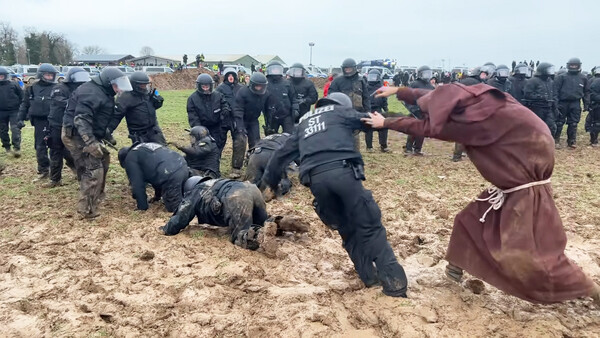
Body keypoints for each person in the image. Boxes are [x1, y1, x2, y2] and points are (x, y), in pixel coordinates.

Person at [365, 83, 600, 305]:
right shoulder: (481, 99)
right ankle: (455, 268)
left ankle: (589, 289)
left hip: (524, 186)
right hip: (516, 177)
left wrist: (386, 122)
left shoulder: (474, 124)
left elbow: (426, 129)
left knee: (525, 256)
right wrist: (398, 90)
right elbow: (439, 95)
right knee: (469, 220)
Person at [260, 93, 408, 298]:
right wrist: (399, 120)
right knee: (370, 227)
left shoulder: (304, 123)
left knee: (347, 230)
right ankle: (395, 286)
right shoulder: (341, 112)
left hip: (317, 183)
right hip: (344, 174)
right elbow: (373, 120)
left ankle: (370, 278)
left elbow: (279, 156)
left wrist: (270, 183)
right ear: (343, 105)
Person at [62, 67, 132, 219]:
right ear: (108, 83)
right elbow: (81, 120)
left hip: (89, 132)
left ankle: (97, 194)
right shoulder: (91, 93)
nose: (119, 89)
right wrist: (91, 143)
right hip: (77, 134)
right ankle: (86, 211)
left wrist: (106, 135)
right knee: (93, 169)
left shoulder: (104, 92)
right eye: (116, 85)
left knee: (104, 159)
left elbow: (99, 119)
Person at [158, 175, 269, 250]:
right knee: (264, 223)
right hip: (251, 188)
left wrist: (167, 229)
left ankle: (262, 240)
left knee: (242, 238)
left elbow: (182, 215)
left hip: (237, 196)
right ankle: (281, 223)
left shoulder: (197, 190)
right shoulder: (215, 182)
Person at [45, 67, 90, 187]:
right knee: (55, 151)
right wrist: (78, 104)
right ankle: (55, 179)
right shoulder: (59, 88)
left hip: (73, 125)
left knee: (77, 152)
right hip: (57, 123)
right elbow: (60, 101)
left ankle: (82, 178)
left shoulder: (83, 89)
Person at [118, 143, 188, 212]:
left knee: (174, 208)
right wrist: (157, 196)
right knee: (185, 196)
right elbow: (154, 173)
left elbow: (137, 185)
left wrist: (142, 206)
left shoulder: (130, 158)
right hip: (182, 165)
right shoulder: (142, 147)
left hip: (170, 173)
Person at [18, 63, 59, 181]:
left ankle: (72, 167)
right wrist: (20, 118)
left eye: (52, 75)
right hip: (39, 121)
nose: (50, 77)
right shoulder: (31, 88)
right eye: (47, 75)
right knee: (40, 146)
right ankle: (44, 169)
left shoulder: (58, 87)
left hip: (54, 120)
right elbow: (24, 104)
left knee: (58, 146)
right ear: (41, 75)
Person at [230, 72, 269, 178]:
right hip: (241, 119)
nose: (259, 88)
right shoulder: (242, 92)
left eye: (261, 86)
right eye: (257, 85)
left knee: (256, 143)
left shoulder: (265, 94)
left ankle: (252, 165)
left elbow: (267, 109)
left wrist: (269, 123)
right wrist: (240, 127)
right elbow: (238, 110)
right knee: (240, 140)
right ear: (251, 84)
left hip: (253, 120)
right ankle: (236, 168)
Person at [112, 72, 166, 145]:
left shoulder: (148, 93)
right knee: (144, 155)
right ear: (135, 85)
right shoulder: (125, 97)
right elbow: (116, 116)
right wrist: (108, 131)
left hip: (154, 130)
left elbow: (153, 107)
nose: (144, 87)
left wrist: (158, 101)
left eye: (146, 85)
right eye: (142, 85)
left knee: (162, 152)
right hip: (139, 134)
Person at [328, 58, 370, 151]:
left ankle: (354, 154)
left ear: (354, 68)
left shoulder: (361, 80)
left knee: (355, 136)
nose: (348, 71)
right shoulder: (337, 81)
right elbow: (330, 96)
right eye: (346, 69)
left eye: (349, 69)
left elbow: (366, 97)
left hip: (356, 112)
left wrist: (367, 112)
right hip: (340, 112)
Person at [186, 73, 231, 152]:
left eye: (208, 86)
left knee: (217, 146)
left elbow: (224, 105)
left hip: (216, 126)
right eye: (204, 87)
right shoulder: (192, 99)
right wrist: (200, 131)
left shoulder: (218, 96)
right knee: (202, 147)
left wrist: (225, 111)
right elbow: (193, 116)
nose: (206, 89)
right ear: (199, 86)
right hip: (201, 127)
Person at [554, 57, 591, 148]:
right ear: (568, 66)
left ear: (579, 66)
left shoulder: (583, 78)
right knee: (559, 122)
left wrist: (586, 104)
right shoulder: (561, 77)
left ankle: (571, 141)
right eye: (572, 65)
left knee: (573, 123)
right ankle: (556, 140)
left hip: (575, 103)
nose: (573, 67)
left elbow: (586, 92)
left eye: (575, 65)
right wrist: (555, 104)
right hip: (562, 103)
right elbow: (556, 91)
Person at [215, 67, 244, 172]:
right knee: (218, 142)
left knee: (240, 141)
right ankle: (214, 165)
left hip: (237, 118)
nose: (231, 77)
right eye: (229, 76)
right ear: (226, 77)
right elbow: (216, 100)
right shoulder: (220, 88)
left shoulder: (241, 88)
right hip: (223, 118)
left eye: (232, 75)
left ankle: (236, 168)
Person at [405, 65, 434, 156]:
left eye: (429, 74)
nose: (427, 76)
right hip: (415, 111)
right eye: (425, 74)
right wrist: (413, 108)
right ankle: (408, 148)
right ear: (420, 74)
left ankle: (418, 149)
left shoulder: (431, 87)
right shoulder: (414, 84)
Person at [263, 61, 299, 134]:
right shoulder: (265, 84)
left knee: (289, 135)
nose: (275, 71)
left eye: (277, 69)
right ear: (269, 70)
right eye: (274, 69)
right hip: (271, 116)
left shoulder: (287, 83)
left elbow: (294, 98)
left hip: (286, 114)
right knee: (271, 137)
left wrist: (295, 109)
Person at [523, 62, 557, 136]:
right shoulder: (532, 81)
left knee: (551, 127)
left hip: (548, 108)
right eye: (549, 70)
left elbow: (554, 95)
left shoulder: (550, 81)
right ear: (543, 70)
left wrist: (555, 108)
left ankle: (548, 143)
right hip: (537, 108)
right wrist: (540, 97)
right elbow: (527, 95)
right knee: (537, 127)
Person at [0, 66, 23, 158]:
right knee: (2, 131)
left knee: (15, 129)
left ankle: (17, 148)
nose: (0, 78)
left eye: (2, 76)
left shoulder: (14, 84)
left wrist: (23, 110)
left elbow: (22, 96)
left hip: (14, 111)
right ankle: (7, 148)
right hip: (1, 112)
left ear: (6, 76)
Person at [364, 69, 390, 152]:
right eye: (371, 77)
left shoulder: (381, 88)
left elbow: (384, 100)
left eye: (374, 77)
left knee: (383, 127)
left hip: (378, 110)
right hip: (368, 110)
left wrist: (386, 109)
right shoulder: (366, 87)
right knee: (368, 128)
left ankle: (383, 146)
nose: (372, 79)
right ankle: (369, 147)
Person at [585, 67, 600, 146]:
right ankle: (593, 140)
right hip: (597, 105)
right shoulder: (596, 82)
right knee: (597, 123)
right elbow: (593, 95)